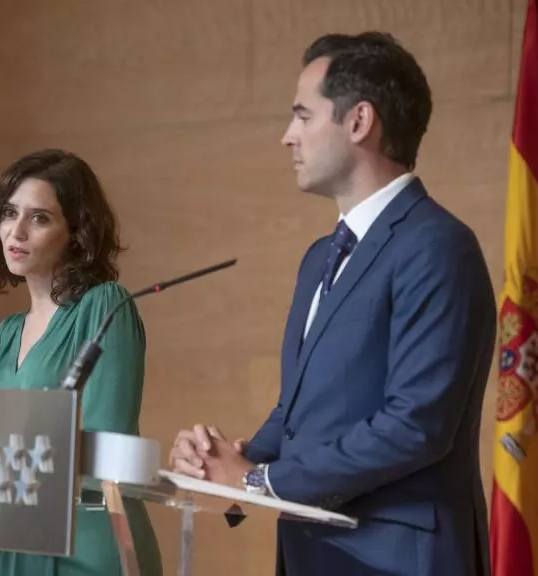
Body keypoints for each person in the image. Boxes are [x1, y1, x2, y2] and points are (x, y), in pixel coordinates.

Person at [169, 32, 496, 575]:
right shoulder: (320, 256)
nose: (287, 136)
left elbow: (415, 425)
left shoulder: (439, 246)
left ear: (359, 121)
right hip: (314, 553)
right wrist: (223, 464)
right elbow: (298, 413)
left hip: (398, 560)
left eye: (302, 115)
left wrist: (257, 481)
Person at [0, 148, 163, 576]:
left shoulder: (106, 306)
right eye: (10, 213)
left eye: (40, 218)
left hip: (86, 545)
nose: (17, 231)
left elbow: (103, 443)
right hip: (10, 541)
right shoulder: (8, 332)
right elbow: (8, 445)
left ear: (77, 232)